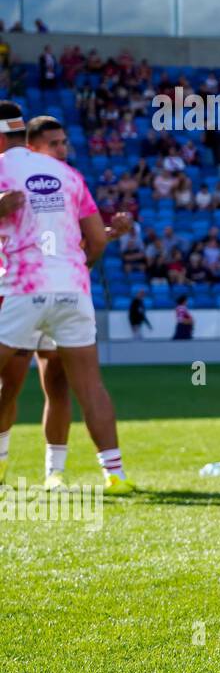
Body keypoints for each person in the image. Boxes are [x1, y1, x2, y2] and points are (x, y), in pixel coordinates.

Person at [0, 102, 136, 494]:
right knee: (89, 386)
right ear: (29, 138)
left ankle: (32, 467)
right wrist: (78, 269)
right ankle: (115, 474)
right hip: (71, 294)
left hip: (20, 292)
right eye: (55, 143)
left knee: (28, 386)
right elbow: (91, 241)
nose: (62, 149)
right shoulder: (69, 176)